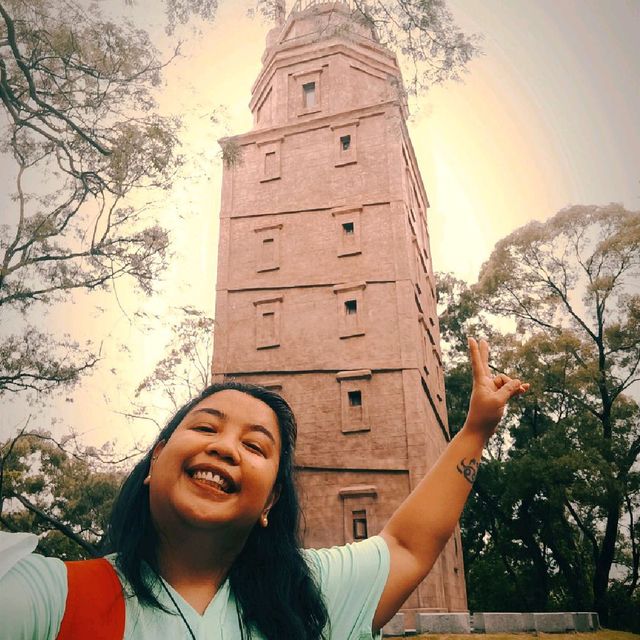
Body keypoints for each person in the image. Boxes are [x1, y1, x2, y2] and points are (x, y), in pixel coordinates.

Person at [0, 338, 528, 639]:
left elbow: (409, 545)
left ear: (271, 501)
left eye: (255, 446)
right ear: (153, 462)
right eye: (205, 427)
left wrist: (476, 428)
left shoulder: (308, 597)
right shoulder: (54, 597)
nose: (225, 448)